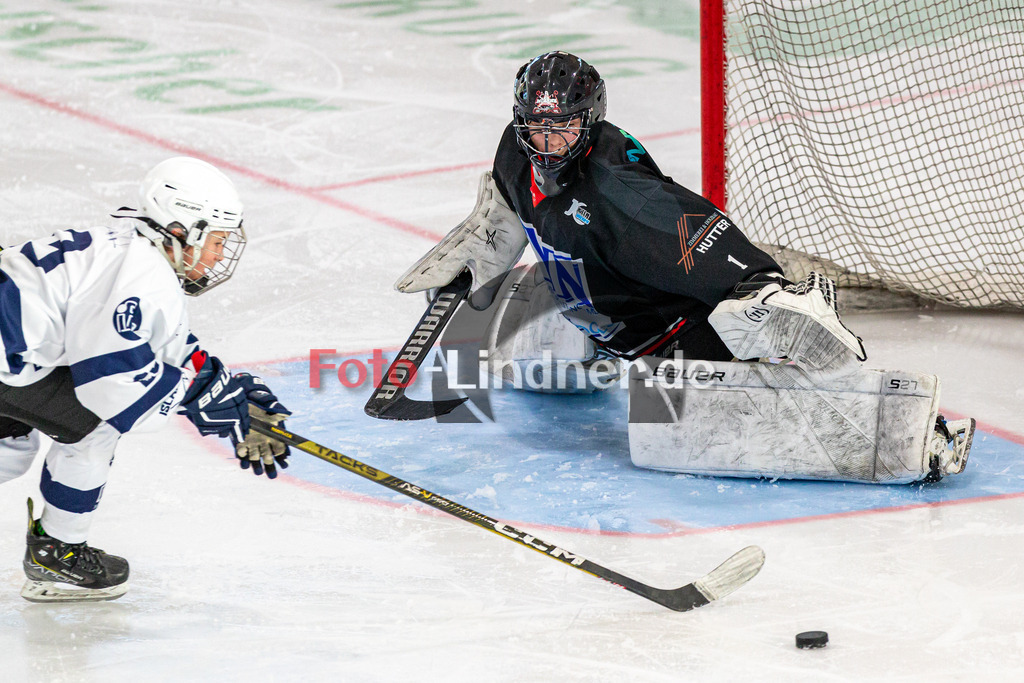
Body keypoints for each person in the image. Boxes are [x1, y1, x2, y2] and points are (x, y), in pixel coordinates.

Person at [394, 51, 975, 484]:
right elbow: (509, 199)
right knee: (535, 368)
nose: (545, 143)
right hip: (592, 312)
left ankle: (910, 433)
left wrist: (771, 301)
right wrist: (486, 240)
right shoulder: (515, 148)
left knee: (660, 432)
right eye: (536, 127)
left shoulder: (622, 200)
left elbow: (711, 248)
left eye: (562, 127)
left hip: (668, 343)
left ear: (588, 122)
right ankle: (593, 350)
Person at [0, 157, 291, 602]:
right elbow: (111, 385)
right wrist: (201, 400)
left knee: (11, 446)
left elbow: (163, 344)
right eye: (214, 241)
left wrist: (220, 385)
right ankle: (58, 555)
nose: (218, 256)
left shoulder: (131, 250)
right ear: (180, 231)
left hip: (12, 356)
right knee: (93, 428)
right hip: (8, 360)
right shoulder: (143, 274)